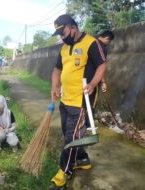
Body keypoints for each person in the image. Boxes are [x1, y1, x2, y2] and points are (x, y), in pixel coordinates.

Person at [50, 14, 107, 188]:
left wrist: (93, 83)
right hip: (65, 100)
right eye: (59, 34)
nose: (62, 36)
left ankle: (64, 172)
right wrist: (55, 86)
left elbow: (102, 64)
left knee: (71, 139)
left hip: (81, 101)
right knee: (68, 133)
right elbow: (57, 69)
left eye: (63, 32)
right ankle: (82, 159)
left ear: (73, 27)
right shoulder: (64, 48)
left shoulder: (91, 43)